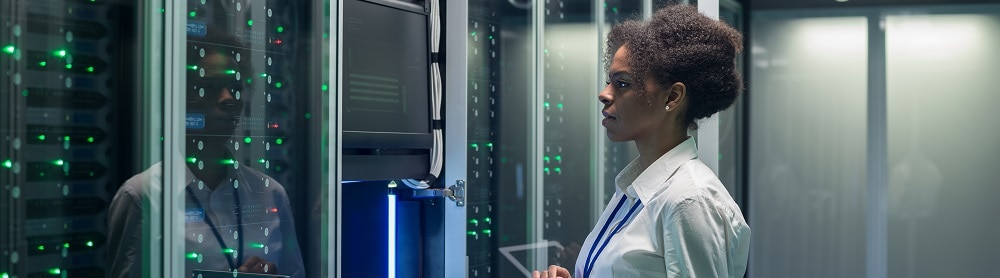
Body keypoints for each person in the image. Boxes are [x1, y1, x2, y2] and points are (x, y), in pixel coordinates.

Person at [533, 5, 750, 278]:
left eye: (622, 83)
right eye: (608, 81)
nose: (604, 94)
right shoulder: (637, 189)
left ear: (672, 97)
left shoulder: (688, 200)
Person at [106, 30, 305, 278]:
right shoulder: (141, 197)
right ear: (179, 98)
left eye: (235, 87)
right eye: (208, 87)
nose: (228, 98)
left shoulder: (271, 195)